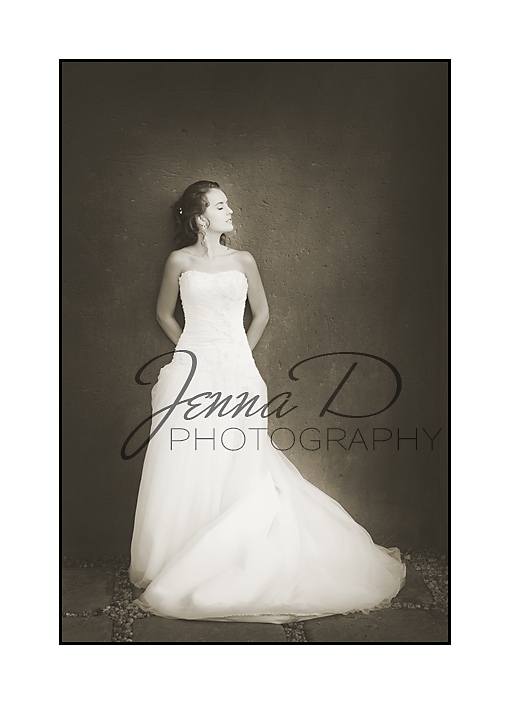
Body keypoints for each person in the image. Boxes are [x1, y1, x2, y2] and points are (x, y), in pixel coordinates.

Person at [129, 180, 406, 624]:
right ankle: (183, 553)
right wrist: (190, 352)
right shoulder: (179, 261)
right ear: (200, 218)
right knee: (188, 456)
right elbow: (164, 313)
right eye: (220, 206)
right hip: (192, 368)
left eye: (227, 204)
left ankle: (236, 553)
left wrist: (239, 354)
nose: (230, 210)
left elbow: (262, 314)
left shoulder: (243, 260)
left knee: (241, 459)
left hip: (237, 369)